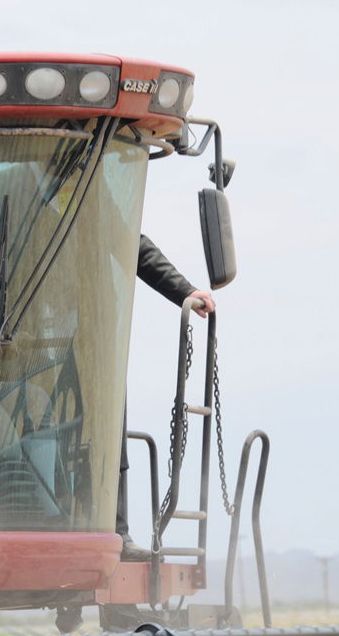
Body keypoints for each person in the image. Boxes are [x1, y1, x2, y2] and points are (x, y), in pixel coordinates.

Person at [118, 234, 216, 561]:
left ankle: (114, 534)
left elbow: (129, 240)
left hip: (87, 333)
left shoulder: (87, 198)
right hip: (19, 335)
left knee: (107, 414)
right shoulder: (8, 194)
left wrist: (185, 291)